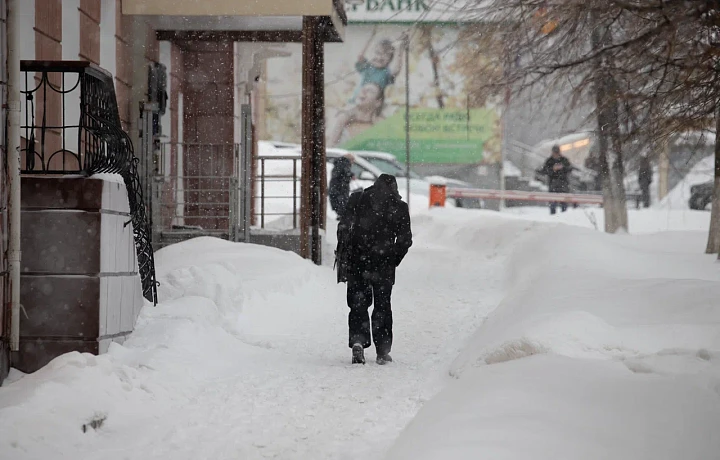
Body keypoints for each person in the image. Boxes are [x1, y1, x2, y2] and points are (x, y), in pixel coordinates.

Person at [335, 174, 412, 365]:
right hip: (383, 263)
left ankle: (358, 341)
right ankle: (383, 350)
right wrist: (393, 258)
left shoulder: (358, 199)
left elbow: (343, 227)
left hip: (357, 260)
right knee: (382, 306)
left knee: (358, 303)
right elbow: (405, 240)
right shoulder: (399, 207)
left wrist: (347, 251)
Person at [350, 29, 407, 104]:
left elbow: (396, 70)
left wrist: (400, 50)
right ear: (373, 53)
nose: (380, 57)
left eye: (385, 55)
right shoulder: (367, 66)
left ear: (390, 59)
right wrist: (371, 37)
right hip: (356, 101)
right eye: (378, 53)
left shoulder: (386, 73)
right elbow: (360, 56)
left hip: (372, 106)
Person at [327, 83, 385, 147]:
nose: (363, 91)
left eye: (370, 91)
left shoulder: (380, 124)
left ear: (378, 102)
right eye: (362, 89)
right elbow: (330, 146)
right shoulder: (343, 118)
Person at [541, 145, 574, 214]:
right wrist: (553, 169)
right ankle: (553, 215)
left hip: (563, 184)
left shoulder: (564, 160)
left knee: (564, 203)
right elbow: (544, 171)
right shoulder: (549, 161)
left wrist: (563, 168)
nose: (556, 154)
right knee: (553, 202)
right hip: (553, 184)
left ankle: (564, 215)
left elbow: (570, 169)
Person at [328, 154, 355, 220]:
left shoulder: (338, 163)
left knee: (337, 202)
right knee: (342, 202)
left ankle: (340, 215)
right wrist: (351, 175)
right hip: (341, 188)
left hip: (334, 187)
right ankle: (343, 216)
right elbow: (346, 174)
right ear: (350, 160)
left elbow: (338, 175)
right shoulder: (345, 164)